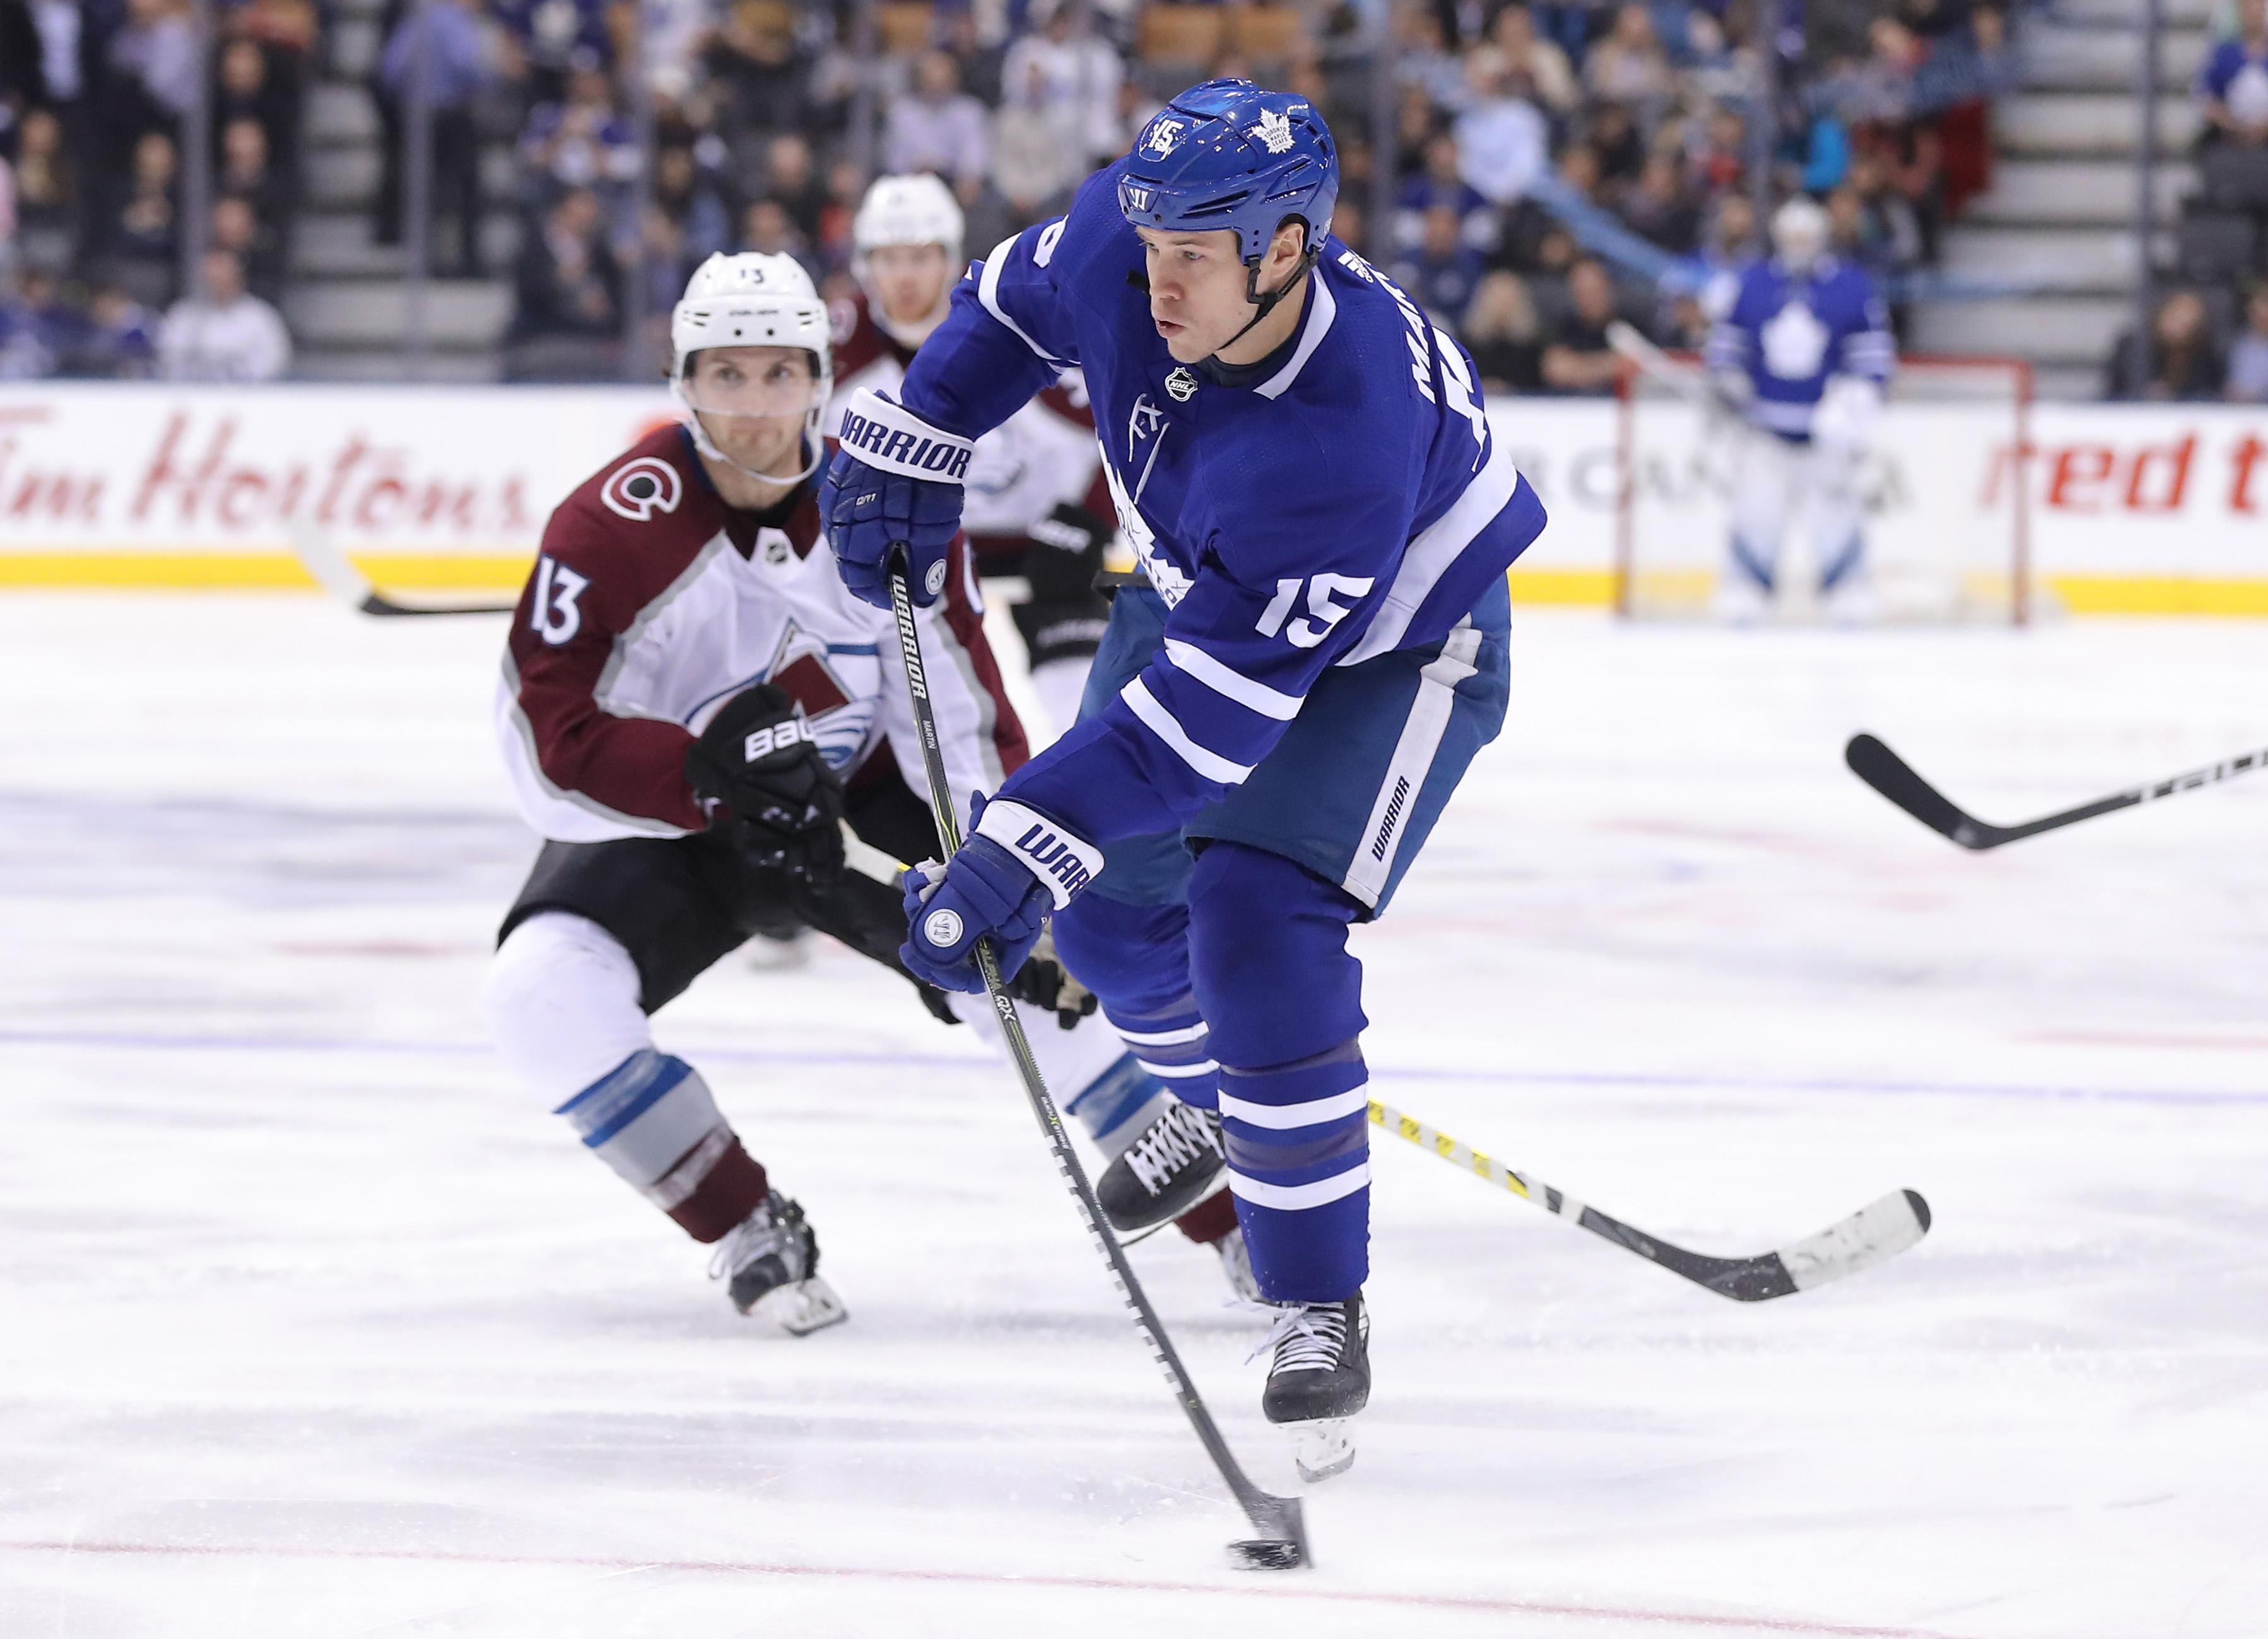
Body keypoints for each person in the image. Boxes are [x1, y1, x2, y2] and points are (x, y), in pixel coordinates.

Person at [820, 81, 1545, 1479]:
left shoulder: (1335, 440)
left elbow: (1192, 741)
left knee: (1254, 919)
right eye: (1150, 247)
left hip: (1398, 642)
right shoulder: (1137, 232)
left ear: (1286, 251)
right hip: (1211, 590)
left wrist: (1015, 841)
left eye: (1194, 260)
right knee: (1102, 919)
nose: (1155, 281)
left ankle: (1313, 1294)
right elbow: (1003, 305)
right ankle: (1231, 1102)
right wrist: (926, 436)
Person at [482, 252, 1249, 1336]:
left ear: (820, 376)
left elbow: (962, 703)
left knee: (1031, 973)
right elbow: (543, 746)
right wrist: (700, 777)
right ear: (680, 381)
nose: (754, 408)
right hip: (677, 827)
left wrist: (999, 861)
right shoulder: (608, 525)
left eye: (780, 374)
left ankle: (1235, 1224)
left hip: (863, 800)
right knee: (539, 994)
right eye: (725, 376)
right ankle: (742, 1218)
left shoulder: (885, 508)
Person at [825, 173, 1119, 744]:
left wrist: (1088, 520)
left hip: (1042, 560)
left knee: (1075, 709)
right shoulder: (836, 349)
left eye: (920, 256)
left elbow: (1119, 430)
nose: (904, 276)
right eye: (888, 259)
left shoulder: (1013, 325)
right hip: (906, 563)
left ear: (950, 257)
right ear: (864, 266)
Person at [1702, 196, 1896, 621]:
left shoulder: (1849, 284)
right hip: (1764, 429)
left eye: (1806, 236)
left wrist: (1854, 401)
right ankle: (1746, 588)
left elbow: (1872, 356)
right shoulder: (1751, 282)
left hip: (1827, 434)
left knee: (1836, 513)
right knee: (1756, 511)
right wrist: (1728, 381)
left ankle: (1847, 588)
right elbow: (1726, 346)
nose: (1799, 244)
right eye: (1792, 236)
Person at [158, 247, 292, 381]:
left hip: (246, 396)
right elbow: (167, 358)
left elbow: (275, 362)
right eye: (212, 278)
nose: (217, 284)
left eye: (224, 278)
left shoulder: (261, 317)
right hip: (190, 395)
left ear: (239, 278)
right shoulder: (182, 315)